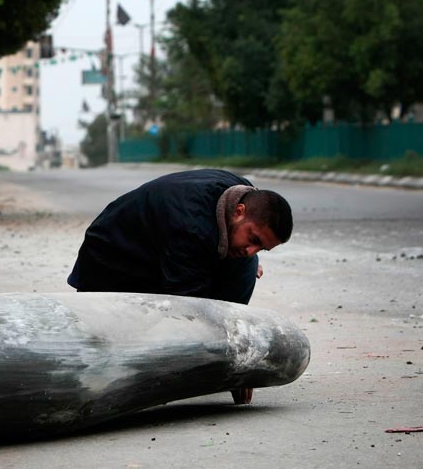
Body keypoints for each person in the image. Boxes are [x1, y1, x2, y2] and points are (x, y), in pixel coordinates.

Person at [67, 168, 293, 405]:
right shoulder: (191, 228)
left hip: (163, 245)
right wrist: (234, 365)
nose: (251, 250)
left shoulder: (242, 192)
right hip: (112, 257)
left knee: (246, 266)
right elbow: (188, 312)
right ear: (238, 211)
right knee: (126, 338)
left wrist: (240, 357)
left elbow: (227, 305)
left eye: (261, 248)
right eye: (254, 240)